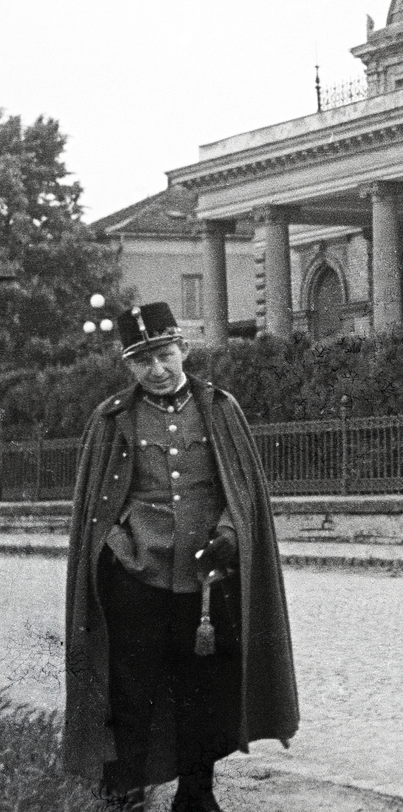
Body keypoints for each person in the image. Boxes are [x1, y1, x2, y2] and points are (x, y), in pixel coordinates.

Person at [63, 303, 299, 812]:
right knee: (131, 692)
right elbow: (96, 505)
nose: (158, 370)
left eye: (165, 355)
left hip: (204, 582)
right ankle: (126, 789)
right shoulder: (113, 419)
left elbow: (243, 492)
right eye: (143, 361)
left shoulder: (220, 409)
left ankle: (197, 794)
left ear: (184, 350)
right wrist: (113, 547)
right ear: (129, 365)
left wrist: (231, 533)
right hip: (134, 579)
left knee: (202, 694)